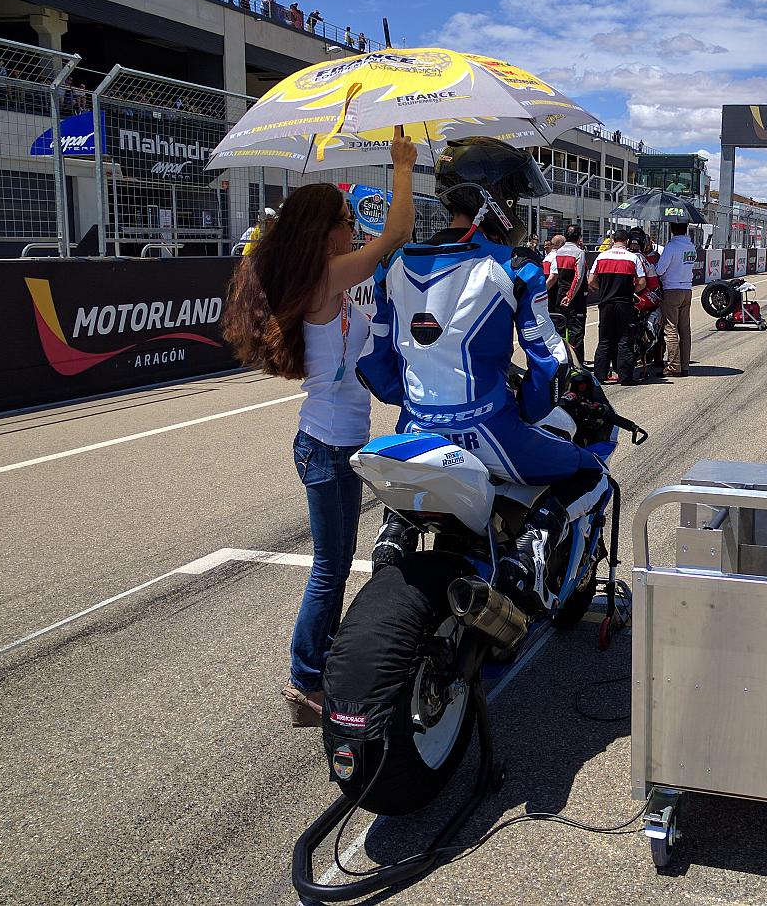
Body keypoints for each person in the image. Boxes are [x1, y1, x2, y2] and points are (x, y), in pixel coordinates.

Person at [358, 134, 610, 618]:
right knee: (589, 472)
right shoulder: (516, 268)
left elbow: (376, 363)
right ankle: (530, 549)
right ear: (491, 201)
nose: (517, 209)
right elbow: (550, 363)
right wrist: (531, 408)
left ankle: (396, 530)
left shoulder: (393, 263)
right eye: (513, 198)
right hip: (492, 434)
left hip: (413, 431)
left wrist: (415, 399)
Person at [221, 130, 417, 725]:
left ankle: (317, 668)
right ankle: (306, 681)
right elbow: (397, 235)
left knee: (335, 561)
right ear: (325, 229)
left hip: (332, 440)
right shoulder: (326, 277)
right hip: (328, 445)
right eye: (344, 218)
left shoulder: (319, 276)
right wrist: (402, 168)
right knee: (331, 568)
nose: (352, 226)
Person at [588, 227, 647, 384]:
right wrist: (630, 291)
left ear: (613, 240)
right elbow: (642, 282)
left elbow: (591, 280)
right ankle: (625, 377)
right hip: (624, 303)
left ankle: (600, 376)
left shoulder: (601, 256)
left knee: (605, 339)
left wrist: (605, 290)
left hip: (606, 303)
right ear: (627, 242)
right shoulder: (632, 257)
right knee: (624, 339)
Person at [655, 221, 696, 376]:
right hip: (687, 289)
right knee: (684, 329)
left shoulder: (671, 247)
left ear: (671, 229)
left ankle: (673, 367)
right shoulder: (690, 246)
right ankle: (684, 366)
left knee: (670, 328)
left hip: (672, 289)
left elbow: (660, 270)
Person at [550, 224, 589, 366]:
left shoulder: (558, 252)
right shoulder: (579, 252)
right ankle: (577, 363)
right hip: (574, 297)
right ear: (579, 237)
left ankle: (560, 361)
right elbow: (578, 277)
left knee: (560, 329)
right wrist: (570, 295)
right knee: (576, 330)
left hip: (560, 294)